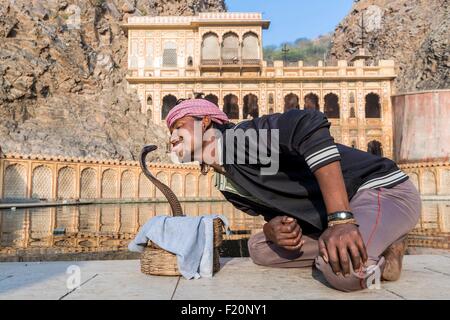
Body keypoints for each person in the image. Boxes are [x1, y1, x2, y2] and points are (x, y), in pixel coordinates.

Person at [165, 98, 421, 292]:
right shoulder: (228, 181)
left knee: (346, 274)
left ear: (205, 122)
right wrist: (273, 228)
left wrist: (341, 219)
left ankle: (386, 249)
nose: (172, 137)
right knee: (259, 249)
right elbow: (280, 201)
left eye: (179, 126)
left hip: (381, 190)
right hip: (340, 215)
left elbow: (307, 124)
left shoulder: (240, 142)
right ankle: (361, 245)